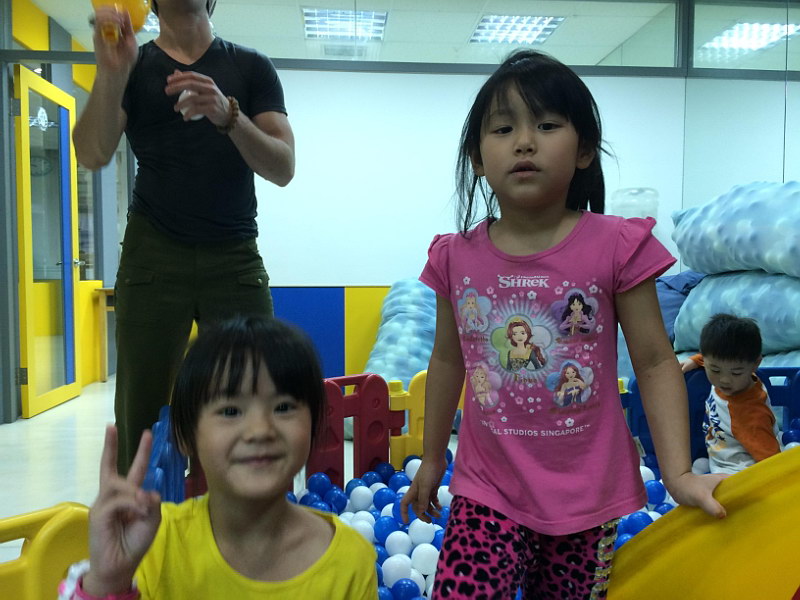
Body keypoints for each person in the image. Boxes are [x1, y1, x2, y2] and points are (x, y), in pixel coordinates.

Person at [400, 49, 727, 599]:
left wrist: (677, 474)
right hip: (488, 488)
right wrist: (433, 458)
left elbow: (653, 361)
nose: (524, 142)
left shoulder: (617, 245)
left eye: (547, 125)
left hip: (586, 495)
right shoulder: (455, 257)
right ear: (477, 157)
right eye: (503, 129)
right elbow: (447, 359)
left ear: (584, 150)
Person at [73, 0, 295, 474]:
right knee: (142, 413)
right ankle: (142, 515)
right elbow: (91, 153)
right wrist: (112, 73)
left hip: (234, 255)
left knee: (253, 396)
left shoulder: (250, 66)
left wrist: (229, 115)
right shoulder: (133, 64)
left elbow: (283, 167)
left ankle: (245, 512)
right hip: (153, 255)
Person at [58, 317, 377, 599]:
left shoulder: (350, 559)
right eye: (230, 411)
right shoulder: (152, 540)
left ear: (314, 425)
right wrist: (108, 581)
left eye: (283, 407)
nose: (259, 430)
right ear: (186, 436)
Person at [680, 313, 781, 474]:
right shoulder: (735, 378)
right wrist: (695, 360)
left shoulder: (750, 415)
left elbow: (772, 463)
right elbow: (717, 359)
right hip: (717, 459)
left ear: (755, 364)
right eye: (715, 370)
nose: (724, 380)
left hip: (738, 474)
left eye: (736, 373)